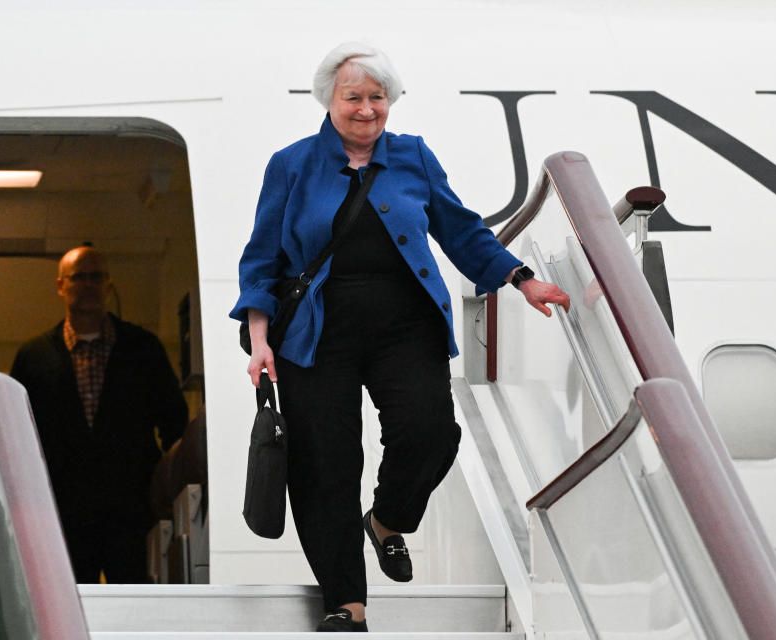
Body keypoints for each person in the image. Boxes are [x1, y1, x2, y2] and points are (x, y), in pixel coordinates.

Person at [230, 42, 569, 632]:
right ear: (329, 101)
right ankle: (346, 600)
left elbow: (461, 230)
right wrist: (260, 340)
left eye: (377, 97)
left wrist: (521, 279)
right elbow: (262, 260)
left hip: (405, 325)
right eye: (353, 97)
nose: (366, 109)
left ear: (391, 101)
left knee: (431, 430)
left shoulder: (413, 157)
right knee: (326, 463)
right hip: (315, 331)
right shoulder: (291, 164)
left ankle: (387, 520)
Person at [11, 245, 188, 583]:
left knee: (134, 609)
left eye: (97, 277)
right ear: (61, 285)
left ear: (108, 285)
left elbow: (174, 423)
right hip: (62, 515)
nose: (88, 284)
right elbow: (17, 439)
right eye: (79, 277)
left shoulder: (143, 349)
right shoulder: (33, 359)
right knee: (70, 608)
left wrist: (166, 492)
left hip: (132, 512)